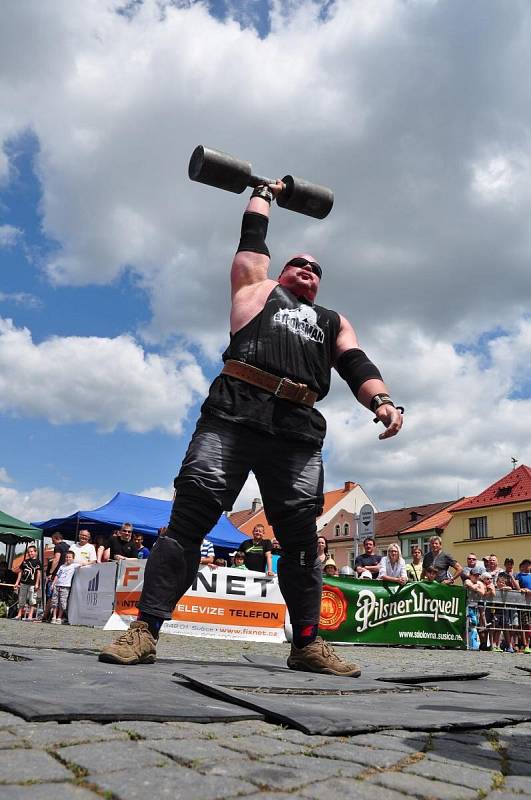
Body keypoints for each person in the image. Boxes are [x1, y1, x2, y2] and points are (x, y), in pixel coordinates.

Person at [100, 177, 403, 676]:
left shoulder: (332, 320)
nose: (307, 269)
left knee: (304, 540)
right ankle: (144, 630)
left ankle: (307, 644)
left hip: (298, 430)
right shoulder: (256, 289)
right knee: (190, 519)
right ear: (281, 271)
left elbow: (356, 364)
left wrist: (384, 401)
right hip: (234, 413)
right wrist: (264, 193)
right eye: (298, 263)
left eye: (315, 269)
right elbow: (251, 247)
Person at [14, 545, 41, 621]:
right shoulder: (25, 561)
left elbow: (38, 573)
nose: (30, 553)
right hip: (23, 583)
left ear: (36, 552)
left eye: (32, 551)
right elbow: (20, 572)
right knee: (21, 599)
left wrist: (37, 583)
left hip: (32, 584)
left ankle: (30, 616)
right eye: (29, 552)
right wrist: (17, 582)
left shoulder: (38, 562)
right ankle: (19, 615)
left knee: (32, 600)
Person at [50, 551, 77, 624]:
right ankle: (54, 616)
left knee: (62, 603)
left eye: (69, 557)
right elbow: (57, 575)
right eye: (66, 557)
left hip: (65, 587)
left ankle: (59, 617)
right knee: (55, 602)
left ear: (73, 558)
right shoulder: (62, 566)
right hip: (57, 585)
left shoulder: (74, 565)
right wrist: (53, 584)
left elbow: (84, 564)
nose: (68, 558)